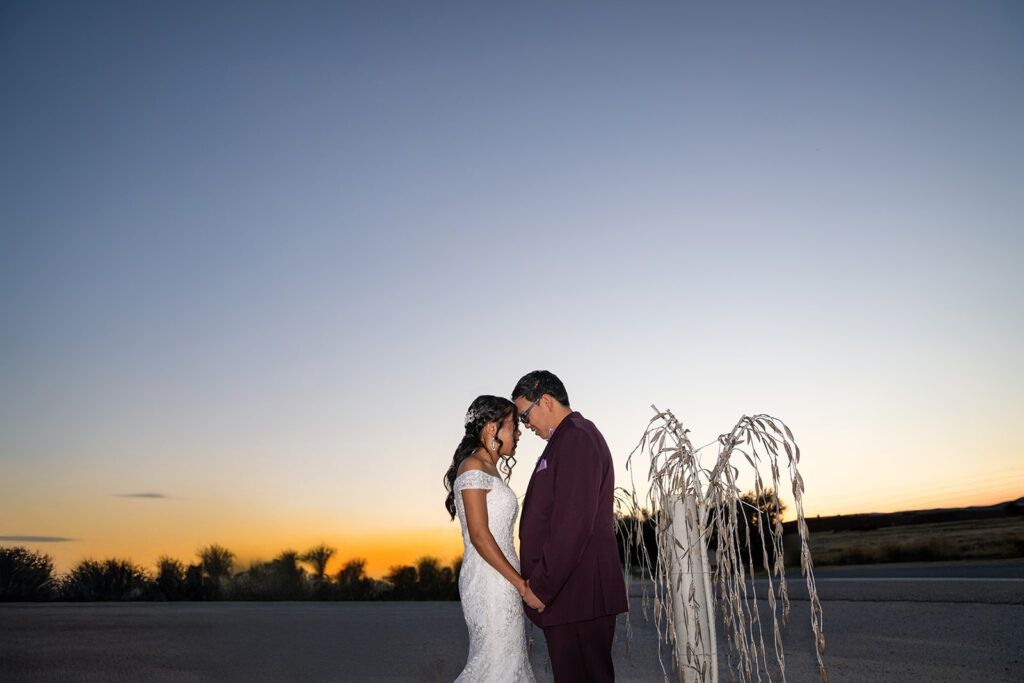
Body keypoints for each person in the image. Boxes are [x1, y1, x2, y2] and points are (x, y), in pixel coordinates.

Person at [513, 371, 629, 682]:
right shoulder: (565, 438)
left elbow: (572, 523)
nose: (525, 425)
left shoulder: (576, 436)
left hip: (579, 595)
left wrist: (542, 586)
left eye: (526, 415)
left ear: (546, 401)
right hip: (572, 597)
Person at [443, 395, 543, 682]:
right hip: (489, 582)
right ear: (491, 429)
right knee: (494, 664)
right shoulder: (473, 466)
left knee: (509, 661)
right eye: (513, 426)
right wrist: (521, 584)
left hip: (504, 579)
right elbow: (478, 534)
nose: (519, 433)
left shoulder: (489, 468)